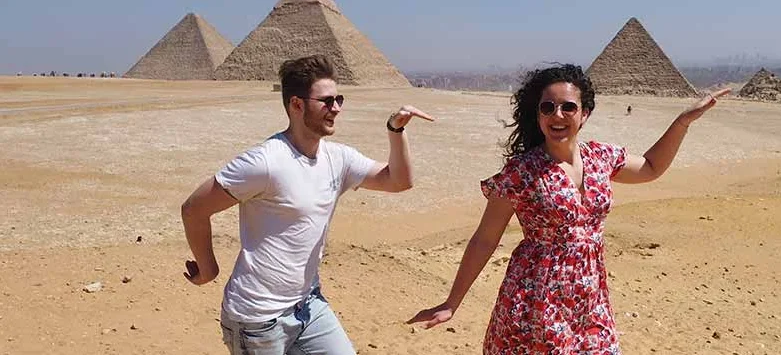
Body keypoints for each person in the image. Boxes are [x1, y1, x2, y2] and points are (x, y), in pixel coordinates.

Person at [408, 63, 728, 353]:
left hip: (590, 297)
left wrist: (683, 122)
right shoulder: (521, 172)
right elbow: (485, 239)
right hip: (536, 298)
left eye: (568, 107)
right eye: (547, 107)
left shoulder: (601, 157)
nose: (557, 115)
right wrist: (452, 302)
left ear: (584, 113)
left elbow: (651, 166)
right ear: (538, 115)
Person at [182, 54, 433, 355]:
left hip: (308, 305)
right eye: (326, 101)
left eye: (338, 99)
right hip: (258, 319)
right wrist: (208, 268)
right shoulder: (265, 162)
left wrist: (395, 130)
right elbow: (194, 208)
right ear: (297, 105)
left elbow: (399, 181)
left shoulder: (339, 159)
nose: (336, 108)